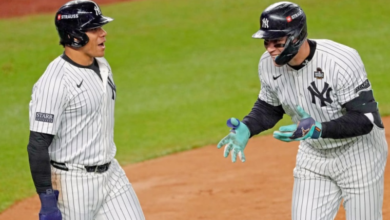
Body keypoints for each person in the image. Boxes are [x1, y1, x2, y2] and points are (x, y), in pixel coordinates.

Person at [217, 1, 388, 220]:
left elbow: (365, 120)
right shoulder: (268, 64)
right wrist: (248, 127)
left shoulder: (340, 60)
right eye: (266, 42)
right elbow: (270, 106)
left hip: (359, 154)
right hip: (313, 154)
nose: (270, 49)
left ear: (296, 37)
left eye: (277, 43)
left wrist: (318, 128)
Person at [27, 1, 145, 219]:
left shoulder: (102, 66)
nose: (103, 34)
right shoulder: (54, 83)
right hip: (73, 186)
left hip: (112, 176)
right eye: (94, 29)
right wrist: (47, 201)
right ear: (74, 36)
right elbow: (37, 144)